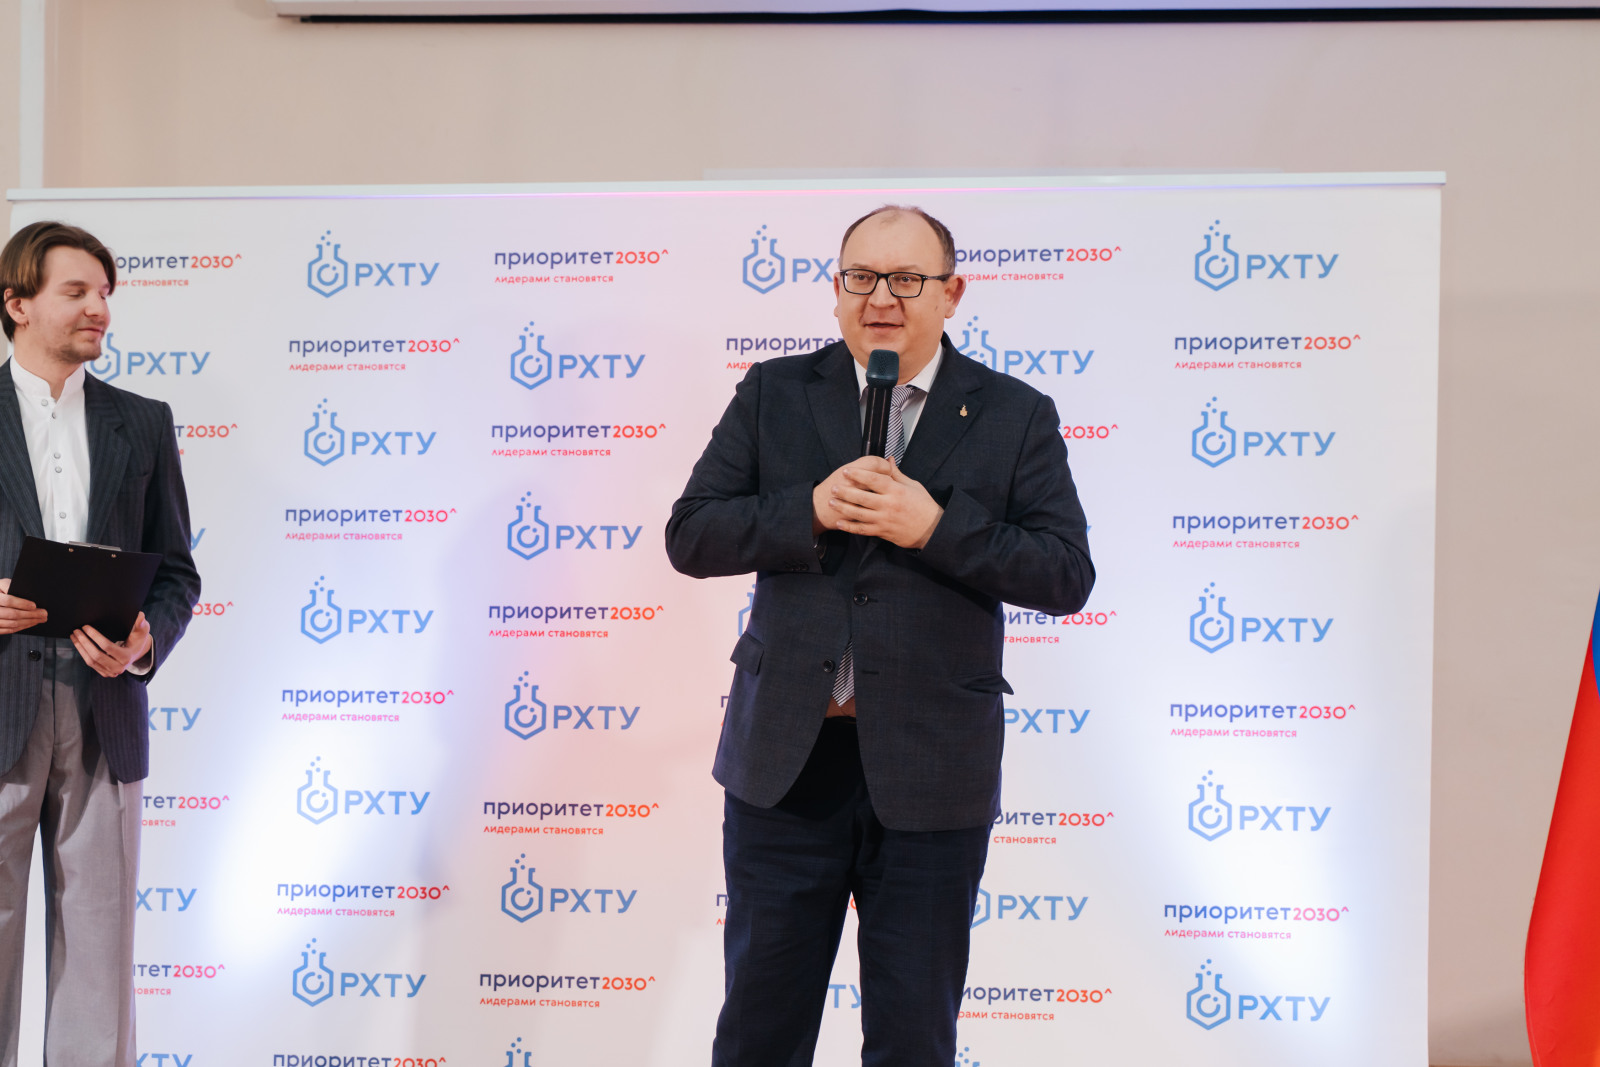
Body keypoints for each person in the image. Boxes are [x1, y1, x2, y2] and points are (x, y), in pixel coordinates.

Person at [666, 205, 1094, 1065]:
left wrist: (936, 526)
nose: (881, 298)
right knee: (758, 1030)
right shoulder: (774, 392)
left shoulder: (1015, 414)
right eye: (861, 277)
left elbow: (1064, 574)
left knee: (912, 1038)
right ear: (836, 290)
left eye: (906, 279)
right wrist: (807, 510)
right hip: (786, 767)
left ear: (952, 293)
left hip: (931, 772)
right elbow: (692, 535)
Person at [0, 221, 201, 1067]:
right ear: (18, 303)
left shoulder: (142, 423)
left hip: (105, 708)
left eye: (106, 293)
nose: (100, 309)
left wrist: (147, 639)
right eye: (76, 291)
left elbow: (177, 571)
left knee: (99, 954)